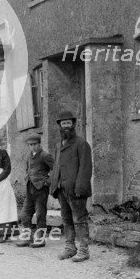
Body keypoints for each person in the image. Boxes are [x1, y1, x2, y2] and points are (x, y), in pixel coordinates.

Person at [49, 110, 93, 262]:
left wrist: (80, 189)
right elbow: (57, 166)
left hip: (76, 190)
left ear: (73, 124)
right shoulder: (57, 145)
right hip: (62, 189)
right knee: (66, 220)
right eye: (63, 123)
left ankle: (83, 250)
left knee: (80, 219)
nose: (66, 126)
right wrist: (54, 186)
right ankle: (70, 248)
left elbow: (85, 168)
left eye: (69, 123)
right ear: (60, 126)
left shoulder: (81, 144)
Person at [16, 132, 54, 248]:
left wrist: (47, 182)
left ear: (39, 144)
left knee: (40, 215)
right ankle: (27, 237)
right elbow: (28, 168)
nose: (32, 146)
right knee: (25, 214)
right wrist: (26, 178)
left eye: (35, 144)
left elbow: (55, 169)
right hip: (30, 188)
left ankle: (40, 239)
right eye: (30, 144)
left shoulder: (45, 155)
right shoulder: (29, 155)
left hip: (41, 189)